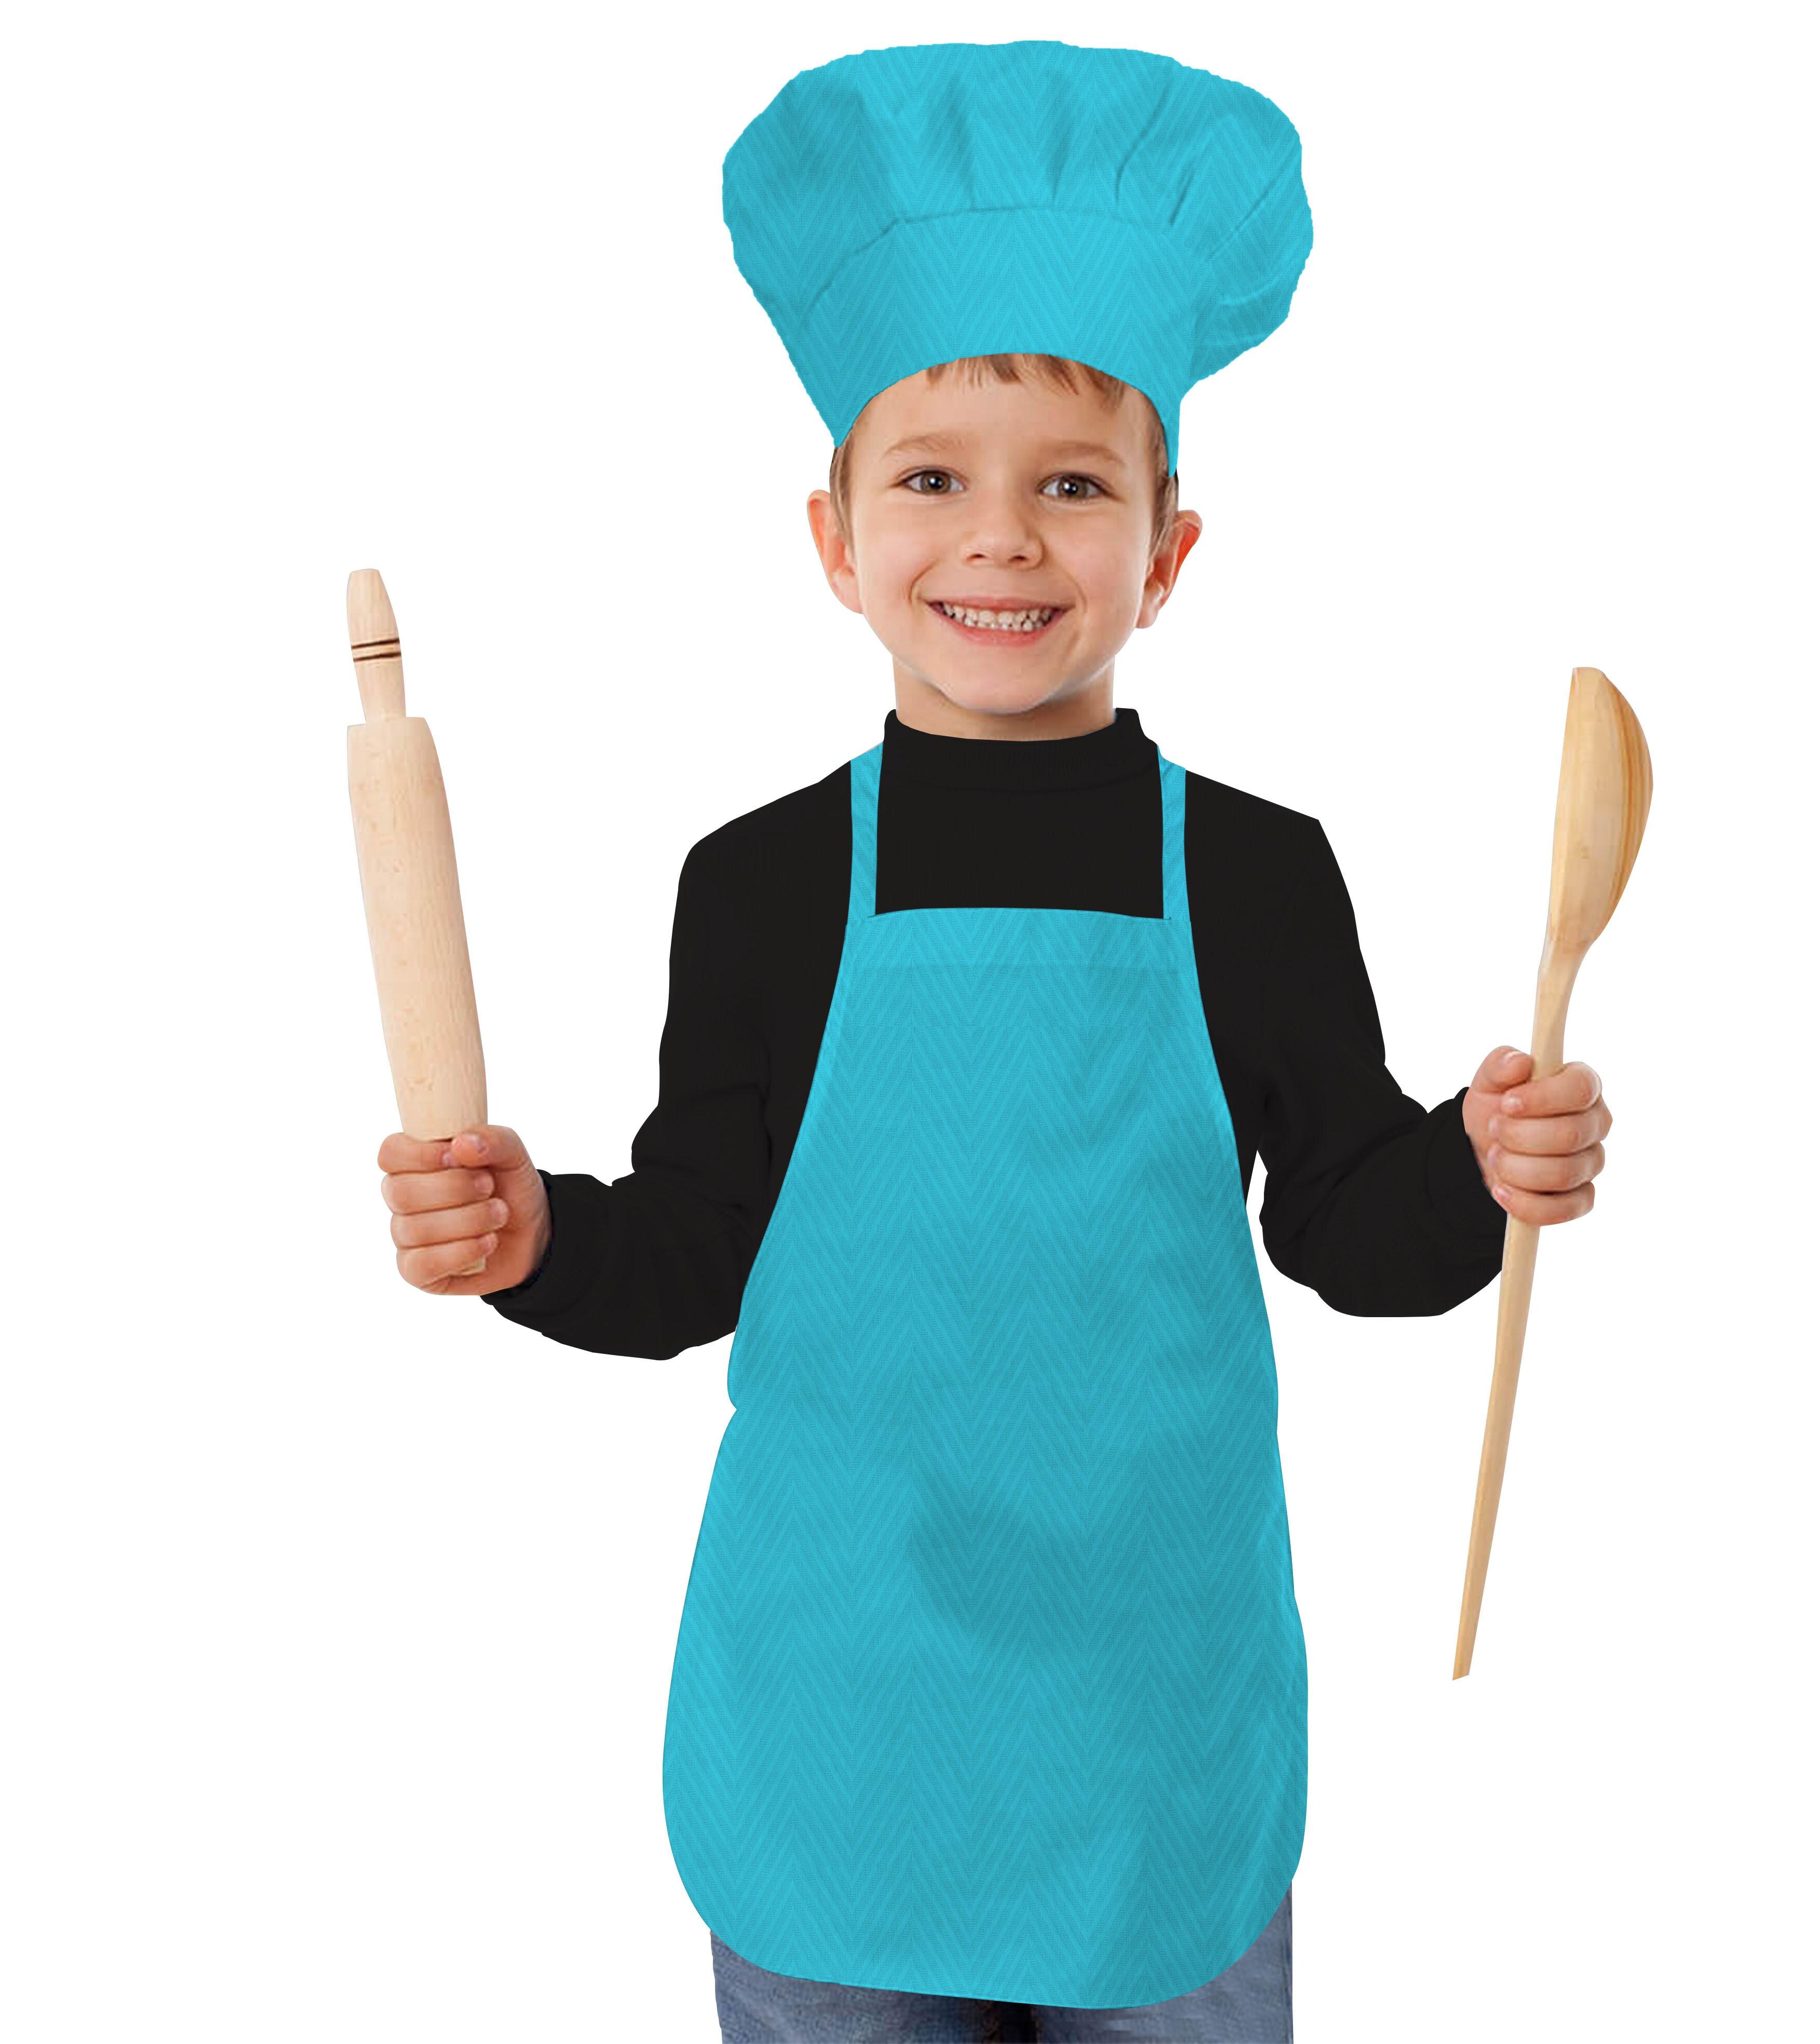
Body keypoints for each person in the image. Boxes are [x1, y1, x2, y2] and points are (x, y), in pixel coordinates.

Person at [374, 40, 1615, 2043]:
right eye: (932, 478)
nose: (1003, 539)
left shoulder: (1257, 872)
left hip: (1152, 1738)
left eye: (1073, 486)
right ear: (833, 536)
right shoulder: (759, 881)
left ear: (1168, 550)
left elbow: (1353, 1232)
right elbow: (690, 1249)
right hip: (839, 1726)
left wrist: (1478, 1170)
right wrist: (534, 1239)